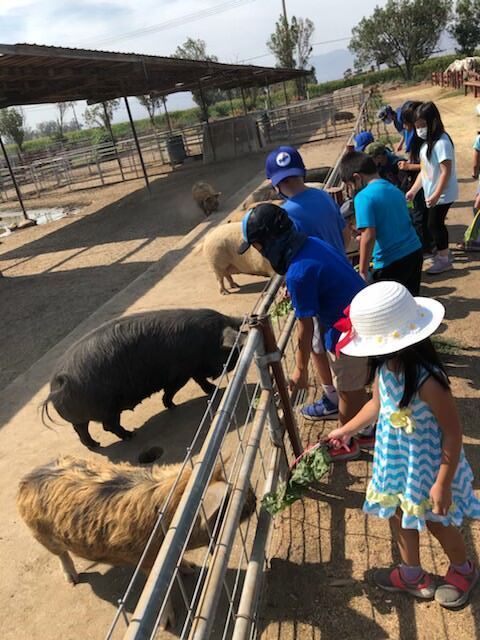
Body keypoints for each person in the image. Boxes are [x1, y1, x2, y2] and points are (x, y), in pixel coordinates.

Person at [327, 281, 480, 608]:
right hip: (395, 463)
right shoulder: (386, 368)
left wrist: (443, 483)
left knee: (439, 522)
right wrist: (347, 430)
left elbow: (453, 433)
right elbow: (375, 406)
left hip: (428, 469)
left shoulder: (429, 381)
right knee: (397, 514)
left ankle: (464, 569)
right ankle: (411, 574)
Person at [238, 203, 370, 460]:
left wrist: (300, 369)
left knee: (346, 389)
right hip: (360, 319)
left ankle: (346, 441)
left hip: (348, 332)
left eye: (258, 246)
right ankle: (362, 428)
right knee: (354, 386)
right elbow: (322, 278)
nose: (260, 253)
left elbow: (305, 326)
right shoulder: (311, 244)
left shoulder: (298, 273)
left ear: (269, 242)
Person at [265, 145, 349, 420]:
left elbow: (293, 254)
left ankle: (333, 398)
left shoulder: (285, 215)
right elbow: (346, 235)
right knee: (346, 343)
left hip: (317, 289)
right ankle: (350, 394)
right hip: (342, 275)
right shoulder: (323, 197)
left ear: (275, 184)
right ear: (302, 172)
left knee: (317, 346)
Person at [340, 151, 423, 295]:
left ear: (357, 178)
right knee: (411, 301)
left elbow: (369, 235)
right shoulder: (393, 188)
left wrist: (363, 271)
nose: (351, 190)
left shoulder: (363, 197)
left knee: (389, 309)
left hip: (389, 262)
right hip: (414, 251)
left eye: (350, 185)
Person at [406, 102, 458, 275]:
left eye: (423, 125)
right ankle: (443, 254)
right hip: (433, 193)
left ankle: (444, 260)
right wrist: (414, 190)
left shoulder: (442, 142)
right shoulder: (425, 144)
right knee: (434, 225)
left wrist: (437, 194)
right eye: (417, 126)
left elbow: (446, 171)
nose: (419, 129)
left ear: (434, 121)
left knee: (434, 225)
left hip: (442, 194)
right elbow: (424, 171)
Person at [396, 101, 435, 255]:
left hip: (422, 181)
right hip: (418, 181)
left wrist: (408, 167)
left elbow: (428, 166)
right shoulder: (417, 135)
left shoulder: (422, 139)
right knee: (420, 214)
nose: (405, 127)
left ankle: (426, 246)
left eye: (406, 123)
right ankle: (428, 244)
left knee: (420, 216)